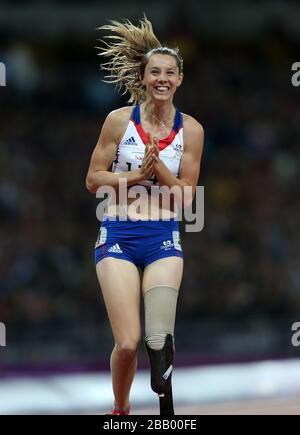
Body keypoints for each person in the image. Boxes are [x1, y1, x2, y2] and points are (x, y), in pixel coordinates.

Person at [86, 16, 204, 415]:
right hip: (118, 235)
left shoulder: (192, 131)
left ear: (180, 79)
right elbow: (92, 179)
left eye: (170, 72)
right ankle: (121, 408)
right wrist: (135, 175)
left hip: (163, 239)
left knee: (158, 339)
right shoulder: (119, 122)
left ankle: (166, 415)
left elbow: (188, 196)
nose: (162, 79)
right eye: (155, 72)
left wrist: (161, 172)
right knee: (129, 343)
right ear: (143, 76)